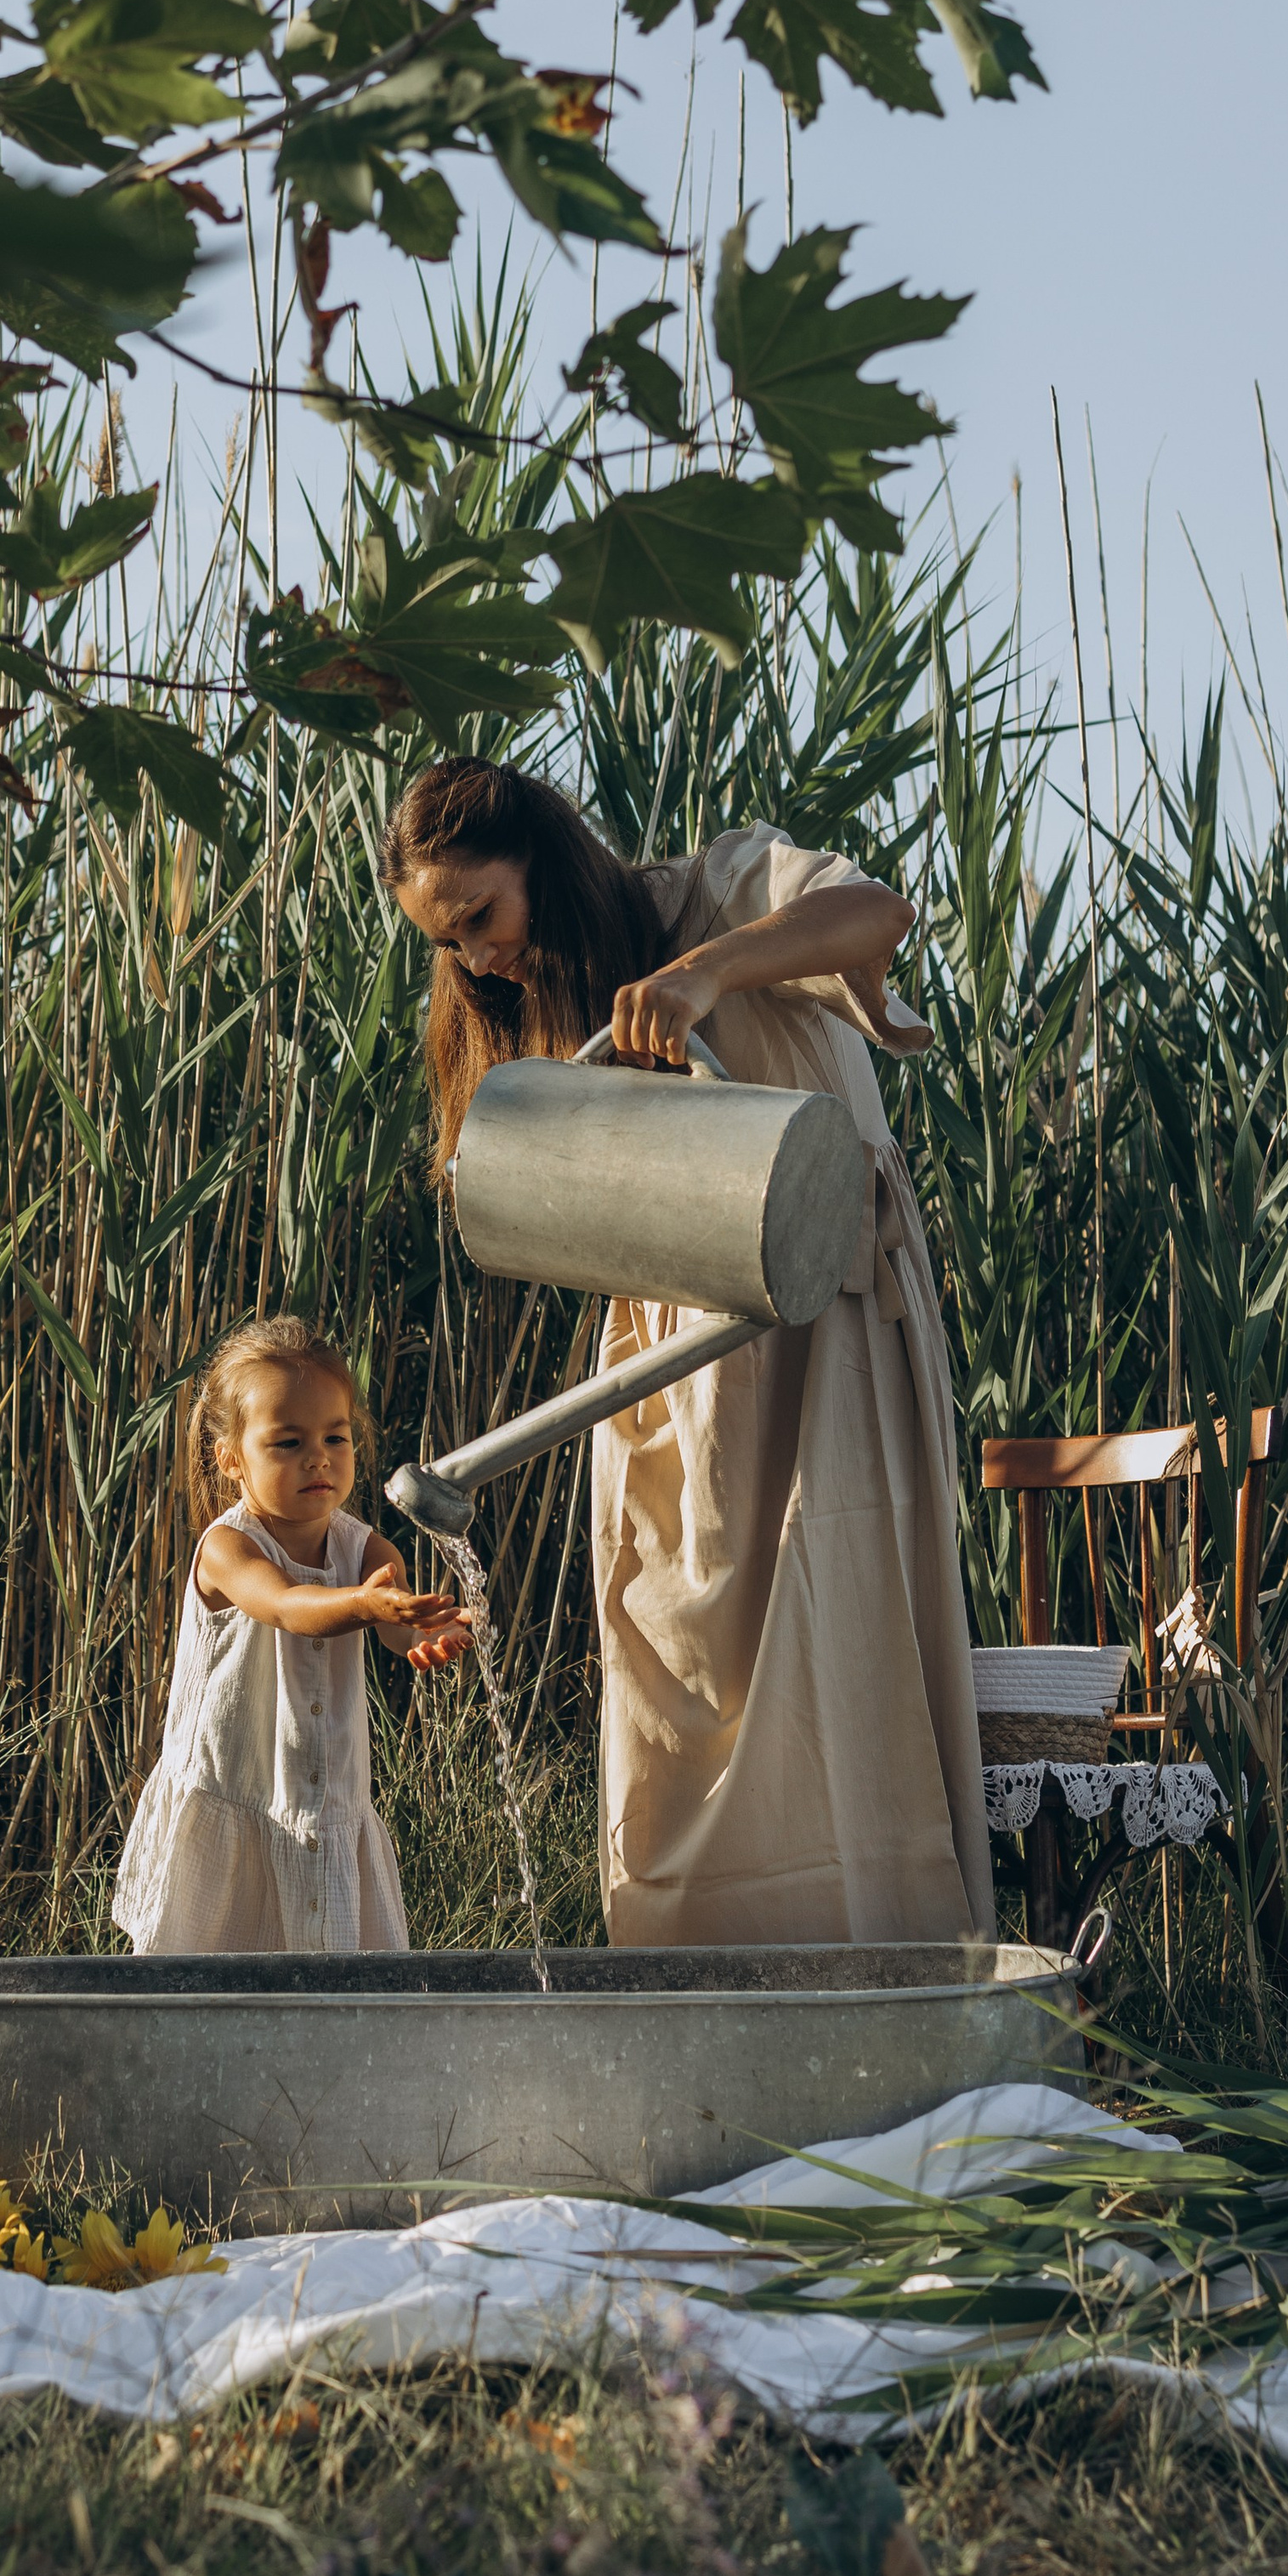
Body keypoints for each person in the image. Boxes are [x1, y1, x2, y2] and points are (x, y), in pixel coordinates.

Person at [381, 758, 994, 1949]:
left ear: (544, 860)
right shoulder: (548, 1008)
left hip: (820, 1325)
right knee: (670, 1674)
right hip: (669, 1368)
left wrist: (707, 971)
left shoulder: (720, 888)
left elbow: (878, 913)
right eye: (448, 944)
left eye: (482, 916)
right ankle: (690, 1981)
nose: (479, 958)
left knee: (835, 1636)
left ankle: (882, 1972)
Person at [113, 1314, 471, 1955]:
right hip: (236, 1797)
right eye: (287, 1442)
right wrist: (365, 1603)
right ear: (230, 1458)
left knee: (333, 1987)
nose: (318, 1457)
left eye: (336, 1437)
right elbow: (284, 1604)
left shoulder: (365, 1549)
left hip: (328, 1805)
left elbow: (391, 1623)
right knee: (205, 1987)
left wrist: (422, 1631)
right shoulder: (227, 1548)